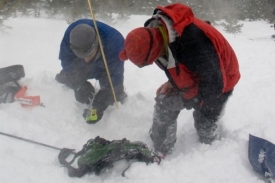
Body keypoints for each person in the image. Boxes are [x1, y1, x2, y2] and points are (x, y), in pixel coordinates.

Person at [119, 3, 240, 155]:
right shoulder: (159, 35)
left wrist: (193, 99)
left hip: (222, 78)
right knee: (165, 101)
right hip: (203, 71)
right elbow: (177, 61)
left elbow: (215, 82)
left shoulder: (192, 43)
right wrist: (173, 83)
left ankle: (211, 149)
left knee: (205, 122)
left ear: (153, 51)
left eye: (147, 62)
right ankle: (161, 147)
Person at [56, 19, 127, 124]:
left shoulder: (115, 43)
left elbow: (116, 75)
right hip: (81, 65)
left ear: (96, 44)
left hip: (106, 63)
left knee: (116, 95)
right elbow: (66, 60)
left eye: (88, 54)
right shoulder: (70, 36)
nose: (86, 59)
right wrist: (78, 83)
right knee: (70, 80)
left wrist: (107, 93)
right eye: (82, 56)